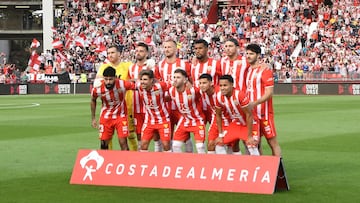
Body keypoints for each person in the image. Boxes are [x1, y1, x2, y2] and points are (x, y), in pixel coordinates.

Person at [95, 44, 137, 151]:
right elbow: (98, 82)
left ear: (119, 54)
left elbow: (135, 80)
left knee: (130, 135)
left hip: (127, 105)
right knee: (107, 138)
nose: (110, 55)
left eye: (112, 52)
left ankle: (134, 158)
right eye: (108, 53)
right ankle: (109, 159)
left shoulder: (128, 66)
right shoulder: (103, 67)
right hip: (110, 107)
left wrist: (123, 83)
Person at [245, 43, 281, 156]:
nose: (248, 56)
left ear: (258, 55)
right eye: (247, 53)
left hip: (264, 113)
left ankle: (279, 171)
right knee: (256, 143)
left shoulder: (265, 71)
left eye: (251, 54)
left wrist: (255, 103)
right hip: (252, 114)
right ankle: (260, 168)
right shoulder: (247, 70)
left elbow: (269, 93)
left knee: (272, 142)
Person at [158, 39, 193, 152]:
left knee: (186, 135)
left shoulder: (183, 64)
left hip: (180, 106)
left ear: (175, 49)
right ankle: (172, 161)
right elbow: (158, 82)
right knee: (167, 136)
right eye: (165, 47)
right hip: (165, 107)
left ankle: (190, 158)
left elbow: (190, 83)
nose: (167, 49)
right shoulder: (160, 65)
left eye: (169, 47)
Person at [90, 66, 135, 150]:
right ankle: (105, 161)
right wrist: (93, 118)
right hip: (106, 117)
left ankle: (127, 162)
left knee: (123, 142)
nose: (108, 82)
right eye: (106, 79)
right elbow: (93, 100)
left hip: (120, 116)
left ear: (115, 78)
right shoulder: (98, 88)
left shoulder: (122, 84)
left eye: (110, 79)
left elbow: (137, 86)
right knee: (104, 144)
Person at [214, 75, 260, 155]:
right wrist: (220, 135)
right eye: (220, 85)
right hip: (236, 123)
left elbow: (249, 115)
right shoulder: (218, 96)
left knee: (252, 145)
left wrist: (249, 136)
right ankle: (228, 166)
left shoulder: (239, 95)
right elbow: (218, 115)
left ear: (232, 85)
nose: (222, 88)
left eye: (225, 85)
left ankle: (258, 166)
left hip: (251, 124)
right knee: (219, 144)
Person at [128, 42, 160, 151]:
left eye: (141, 51)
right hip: (137, 106)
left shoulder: (152, 67)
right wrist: (136, 82)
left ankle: (158, 155)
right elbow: (129, 84)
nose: (138, 53)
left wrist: (136, 82)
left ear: (146, 53)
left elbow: (158, 82)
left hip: (151, 106)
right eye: (136, 51)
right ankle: (142, 154)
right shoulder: (131, 68)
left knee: (155, 133)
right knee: (138, 133)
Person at [169, 69, 206, 154]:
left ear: (185, 80)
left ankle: (204, 165)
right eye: (174, 77)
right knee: (175, 146)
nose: (175, 79)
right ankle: (185, 163)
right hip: (185, 120)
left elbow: (202, 92)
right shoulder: (171, 91)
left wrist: (191, 85)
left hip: (197, 120)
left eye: (178, 77)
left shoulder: (193, 91)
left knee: (200, 147)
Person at [137, 69, 171, 152]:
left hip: (163, 120)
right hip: (149, 120)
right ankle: (145, 163)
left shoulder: (160, 86)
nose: (142, 82)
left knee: (166, 145)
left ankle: (168, 163)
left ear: (151, 80)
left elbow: (171, 85)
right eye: (141, 79)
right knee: (143, 145)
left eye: (145, 79)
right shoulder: (139, 87)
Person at [191, 39, 222, 125]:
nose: (198, 51)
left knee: (216, 133)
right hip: (199, 105)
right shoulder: (193, 65)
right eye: (196, 48)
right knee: (198, 132)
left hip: (214, 105)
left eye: (200, 48)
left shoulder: (216, 64)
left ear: (207, 49)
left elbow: (223, 81)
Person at [198, 73, 230, 154]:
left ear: (211, 83)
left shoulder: (220, 92)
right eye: (200, 83)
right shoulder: (202, 93)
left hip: (228, 119)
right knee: (210, 145)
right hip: (216, 119)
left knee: (227, 146)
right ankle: (211, 166)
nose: (202, 85)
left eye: (204, 83)